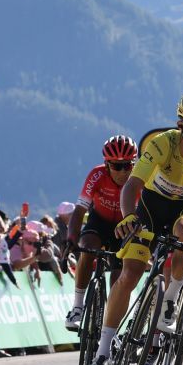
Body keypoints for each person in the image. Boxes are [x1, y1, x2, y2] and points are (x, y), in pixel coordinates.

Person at [87, 93, 183, 365]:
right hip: (152, 206)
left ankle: (170, 300)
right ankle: (103, 352)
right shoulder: (162, 143)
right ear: (182, 124)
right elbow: (133, 186)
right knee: (129, 274)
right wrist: (129, 217)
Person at [62, 135, 138, 332]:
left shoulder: (140, 178)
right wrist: (71, 238)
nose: (122, 171)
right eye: (116, 166)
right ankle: (77, 307)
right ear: (106, 164)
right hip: (99, 222)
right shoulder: (97, 175)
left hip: (125, 227)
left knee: (119, 277)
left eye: (127, 166)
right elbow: (79, 211)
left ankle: (112, 325)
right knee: (87, 248)